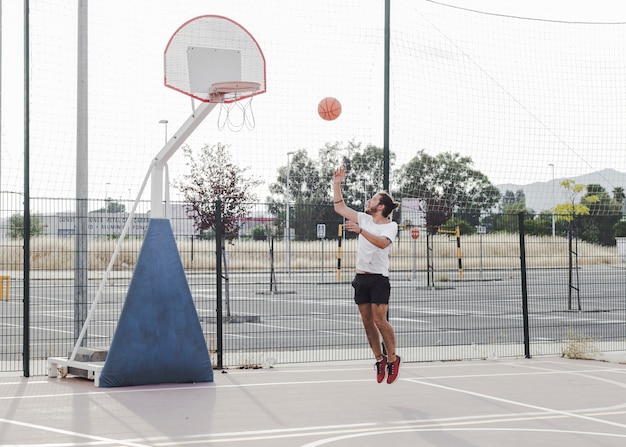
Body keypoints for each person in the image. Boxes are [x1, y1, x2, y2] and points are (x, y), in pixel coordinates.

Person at [332, 166, 401, 384]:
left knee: (380, 320)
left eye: (372, 200)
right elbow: (340, 207)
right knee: (367, 321)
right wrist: (336, 184)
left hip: (379, 278)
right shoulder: (364, 218)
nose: (368, 202)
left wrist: (361, 231)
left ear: (380, 206)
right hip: (361, 278)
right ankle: (379, 359)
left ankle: (392, 359)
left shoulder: (390, 226)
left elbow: (382, 244)